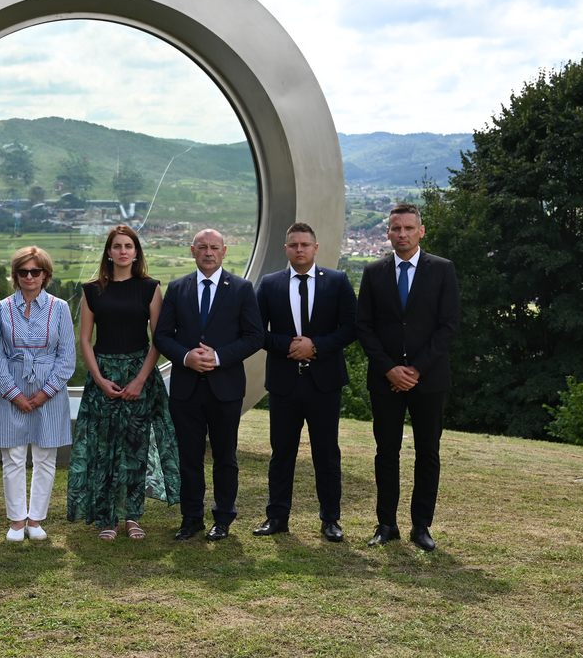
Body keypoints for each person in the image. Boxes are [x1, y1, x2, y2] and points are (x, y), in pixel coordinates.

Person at [356, 203, 460, 552]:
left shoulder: (442, 270)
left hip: (428, 379)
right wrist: (389, 368)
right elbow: (364, 327)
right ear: (387, 232)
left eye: (408, 228)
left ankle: (421, 526)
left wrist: (416, 369)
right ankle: (386, 524)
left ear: (421, 231)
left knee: (427, 451)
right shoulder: (373, 272)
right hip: (385, 379)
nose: (402, 234)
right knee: (387, 452)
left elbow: (448, 326)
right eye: (395, 228)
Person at [67, 225, 181, 541]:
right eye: (117, 246)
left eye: (128, 246)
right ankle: (106, 517)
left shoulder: (150, 288)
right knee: (103, 448)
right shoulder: (92, 290)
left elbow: (158, 338)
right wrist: (99, 379)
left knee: (135, 446)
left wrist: (141, 380)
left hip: (139, 372)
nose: (122, 251)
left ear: (135, 252)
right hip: (103, 372)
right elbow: (86, 341)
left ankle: (132, 516)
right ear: (109, 252)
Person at [154, 228, 263, 541]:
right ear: (192, 250)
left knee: (225, 456)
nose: (208, 252)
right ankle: (191, 519)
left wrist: (218, 357)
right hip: (186, 388)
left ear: (224, 251)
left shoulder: (242, 289)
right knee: (188, 456)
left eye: (214, 247)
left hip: (225, 387)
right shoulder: (176, 288)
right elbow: (162, 336)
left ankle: (223, 519)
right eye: (202, 247)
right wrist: (186, 357)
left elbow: (254, 336)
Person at [253, 222, 358, 543]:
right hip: (285, 383)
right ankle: (277, 517)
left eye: (305, 244)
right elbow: (256, 331)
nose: (299, 249)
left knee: (326, 454)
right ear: (286, 249)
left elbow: (352, 327)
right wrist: (288, 346)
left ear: (316, 247)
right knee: (281, 453)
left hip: (324, 382)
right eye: (293, 245)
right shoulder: (270, 284)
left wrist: (316, 346)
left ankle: (330, 520)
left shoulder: (337, 282)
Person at [0, 247, 75, 543]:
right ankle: (16, 520)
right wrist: (14, 394)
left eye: (35, 271)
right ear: (15, 275)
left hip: (49, 390)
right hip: (11, 387)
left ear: (45, 275)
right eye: (23, 272)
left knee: (45, 456)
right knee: (12, 456)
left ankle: (36, 519)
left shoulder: (60, 308)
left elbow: (67, 358)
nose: (29, 277)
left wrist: (44, 393)